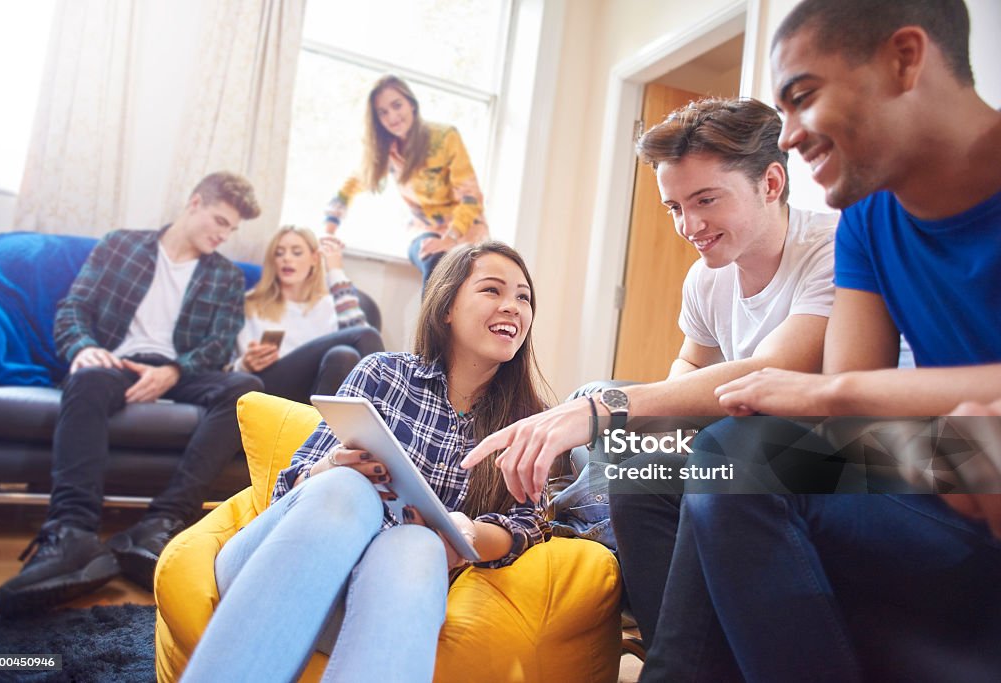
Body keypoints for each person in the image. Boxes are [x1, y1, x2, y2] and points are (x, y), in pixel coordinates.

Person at [663, 1, 1001, 680]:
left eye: (803, 97)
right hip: (953, 471)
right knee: (724, 454)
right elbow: (853, 431)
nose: (785, 137)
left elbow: (840, 393)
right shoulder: (868, 220)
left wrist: (830, 390)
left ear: (906, 59)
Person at [463, 97, 837, 658]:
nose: (690, 226)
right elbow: (690, 367)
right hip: (742, 436)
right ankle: (583, 536)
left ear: (772, 182)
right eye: (675, 207)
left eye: (706, 200)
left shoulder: (830, 248)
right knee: (619, 434)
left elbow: (771, 372)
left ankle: (581, 523)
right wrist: (631, 418)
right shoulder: (707, 280)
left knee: (610, 421)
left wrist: (611, 410)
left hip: (830, 443)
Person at [181, 241, 551, 682]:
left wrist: (464, 534)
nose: (512, 307)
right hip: (274, 565)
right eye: (492, 290)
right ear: (447, 307)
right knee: (345, 487)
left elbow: (530, 524)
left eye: (523, 297)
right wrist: (333, 466)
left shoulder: (529, 422)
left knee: (419, 545)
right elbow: (289, 488)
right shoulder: (382, 374)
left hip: (375, 599)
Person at [0, 172, 265, 617]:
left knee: (244, 390)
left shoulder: (225, 276)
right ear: (194, 202)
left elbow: (219, 343)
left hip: (179, 369)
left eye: (231, 229)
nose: (223, 234)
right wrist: (84, 349)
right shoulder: (121, 245)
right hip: (115, 361)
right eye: (218, 220)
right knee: (85, 379)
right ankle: (73, 533)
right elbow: (73, 308)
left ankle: (160, 524)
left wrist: (173, 371)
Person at [324, 74, 489, 285]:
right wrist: (329, 230)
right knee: (435, 261)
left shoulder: (445, 137)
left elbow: (471, 196)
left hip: (464, 233)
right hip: (424, 231)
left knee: (462, 279)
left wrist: (450, 239)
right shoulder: (386, 151)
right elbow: (351, 185)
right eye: (383, 113)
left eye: (397, 105)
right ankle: (429, 319)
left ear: (411, 104)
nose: (392, 117)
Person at [233, 225, 384, 403]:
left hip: (315, 390)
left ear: (314, 259)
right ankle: (387, 413)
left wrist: (335, 270)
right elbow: (230, 365)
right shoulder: (251, 302)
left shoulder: (328, 305)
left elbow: (358, 334)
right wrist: (244, 365)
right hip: (268, 387)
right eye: (279, 253)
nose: (286, 259)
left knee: (343, 355)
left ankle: (324, 429)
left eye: (296, 253)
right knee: (366, 334)